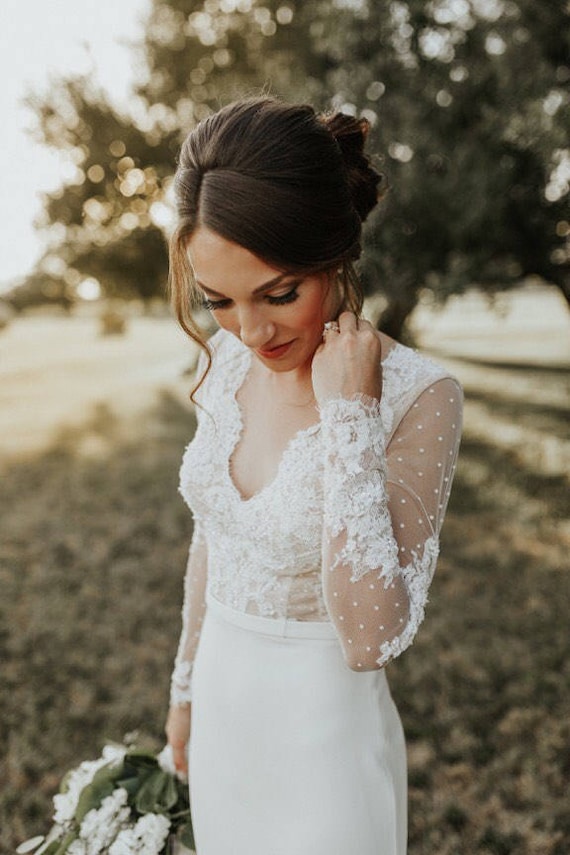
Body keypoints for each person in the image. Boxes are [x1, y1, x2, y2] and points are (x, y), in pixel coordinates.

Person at [164, 97, 463, 855]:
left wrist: (350, 419)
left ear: (334, 254)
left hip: (324, 749)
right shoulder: (227, 360)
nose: (251, 332)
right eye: (217, 300)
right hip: (225, 719)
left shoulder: (420, 396)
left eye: (280, 293)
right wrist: (185, 690)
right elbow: (213, 537)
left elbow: (370, 636)